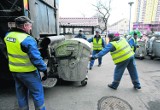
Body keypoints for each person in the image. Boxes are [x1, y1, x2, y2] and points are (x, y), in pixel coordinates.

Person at [4, 16, 47, 110]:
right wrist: (44, 69)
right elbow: (36, 59)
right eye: (30, 26)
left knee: (21, 95)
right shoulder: (27, 39)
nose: (31, 28)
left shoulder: (8, 36)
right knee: (37, 94)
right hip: (29, 72)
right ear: (25, 26)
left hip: (15, 72)